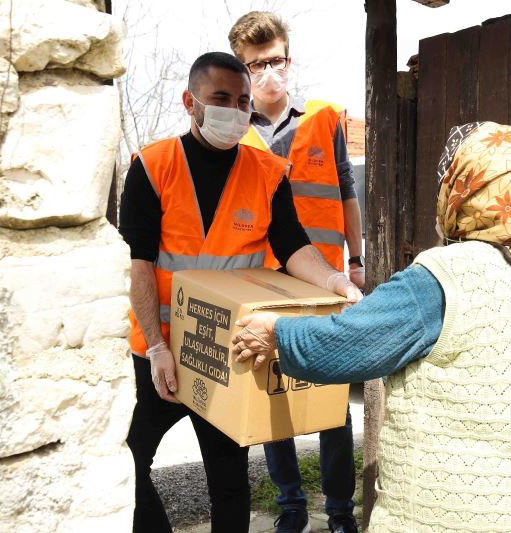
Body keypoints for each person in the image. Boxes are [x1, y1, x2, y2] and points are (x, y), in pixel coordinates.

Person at [232, 122, 511, 532]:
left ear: (466, 190)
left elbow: (343, 345)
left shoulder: (445, 277)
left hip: (452, 519)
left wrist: (276, 331)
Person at [118, 51, 362, 533]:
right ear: (191, 101)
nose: (236, 108)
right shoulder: (152, 166)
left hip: (227, 347)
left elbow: (293, 246)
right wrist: (161, 345)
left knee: (229, 481)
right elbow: (139, 263)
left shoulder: (268, 171)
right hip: (158, 350)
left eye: (243, 100)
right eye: (221, 98)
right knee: (128, 463)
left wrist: (335, 280)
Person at [227, 12, 362, 533]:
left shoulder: (325, 119)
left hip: (326, 277)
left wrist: (354, 260)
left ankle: (339, 512)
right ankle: (290, 508)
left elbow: (346, 193)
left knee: (333, 401)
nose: (268, 72)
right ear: (241, 68)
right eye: (255, 64)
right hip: (263, 279)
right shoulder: (233, 133)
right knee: (272, 397)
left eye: (275, 60)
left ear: (290, 58)